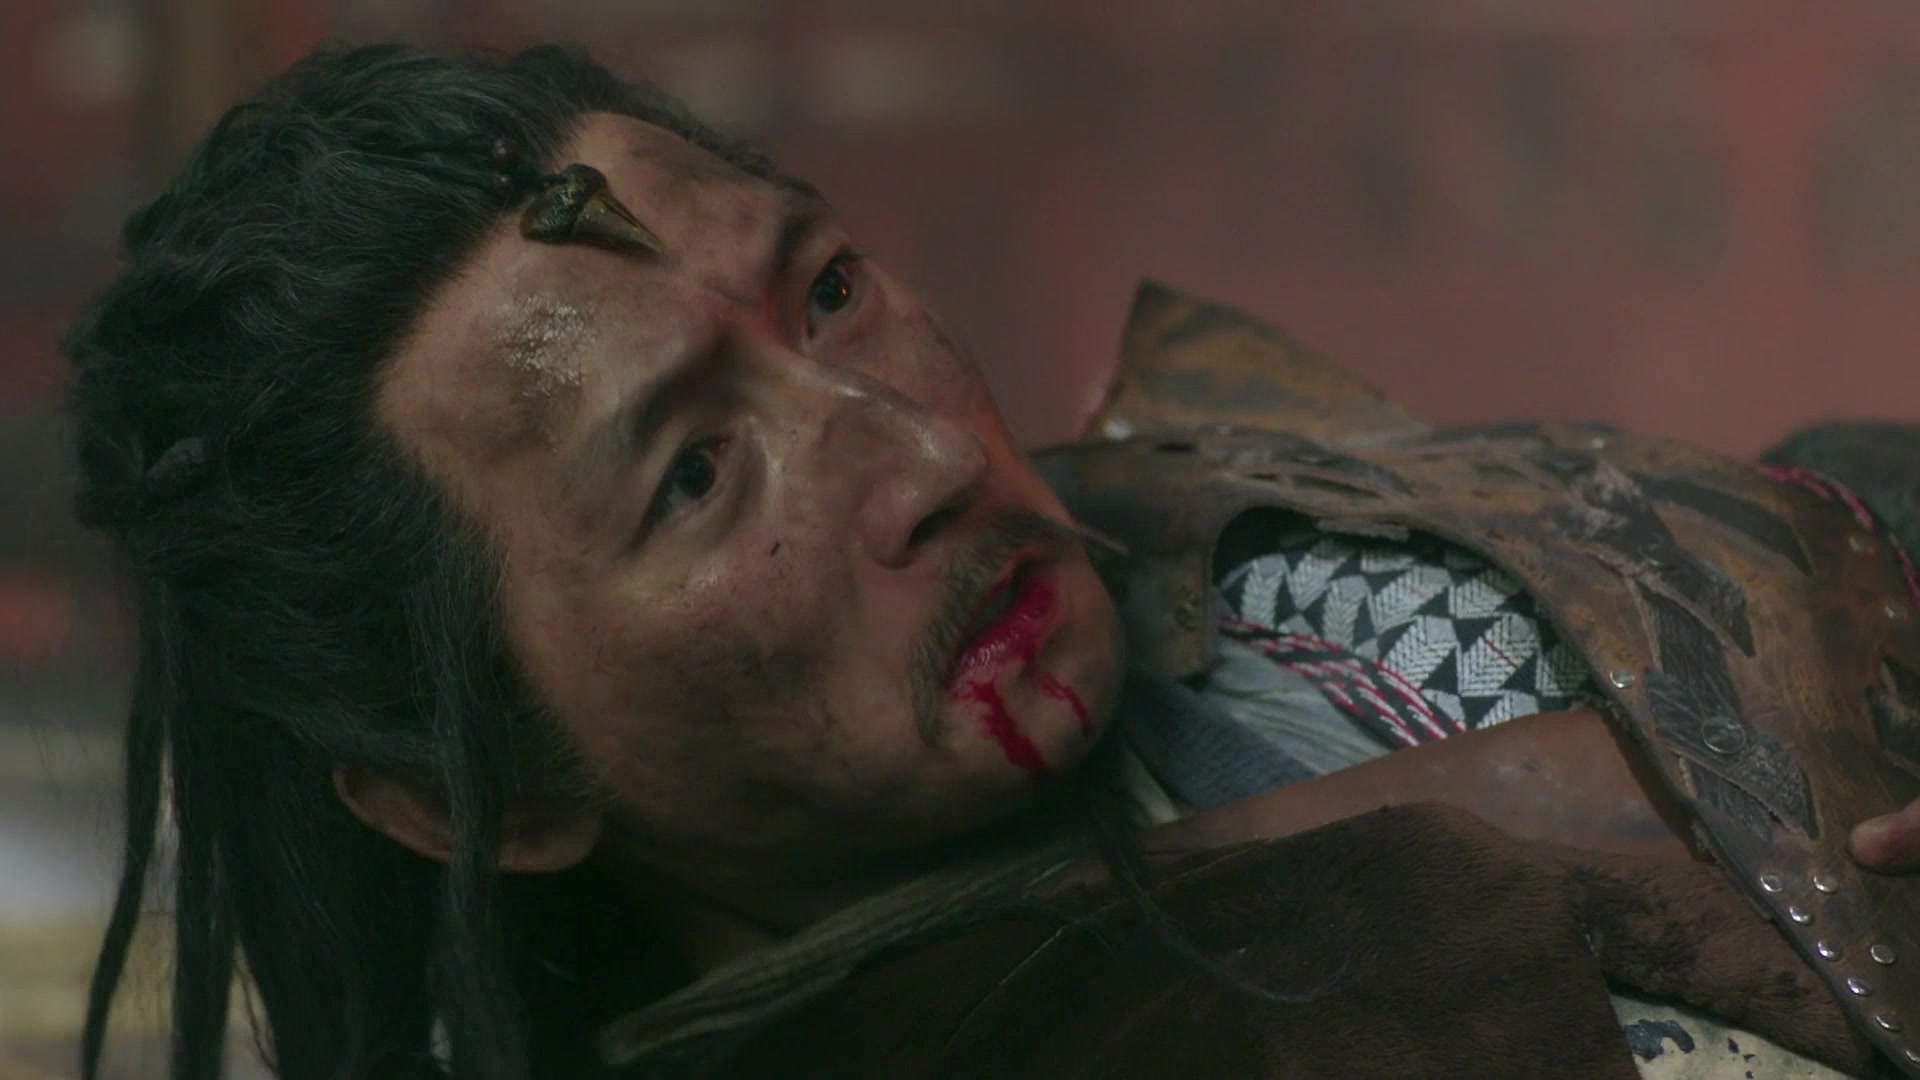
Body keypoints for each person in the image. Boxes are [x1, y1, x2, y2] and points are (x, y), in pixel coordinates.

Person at [62, 41, 1920, 1080]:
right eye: (695, 474)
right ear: (489, 787)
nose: (931, 455)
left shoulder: (1173, 507)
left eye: (830, 294)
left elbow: (1760, 521)